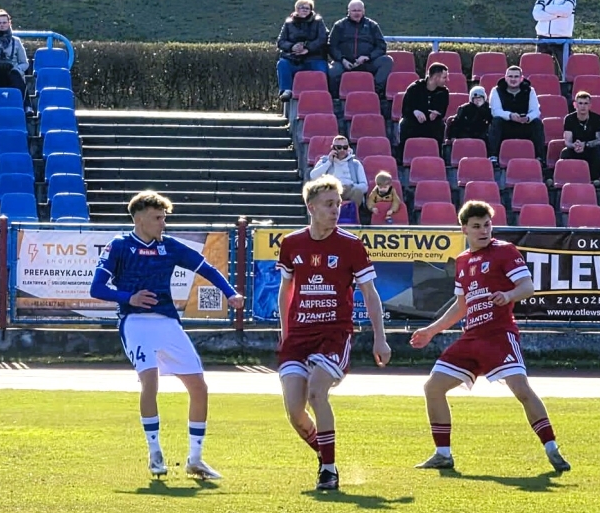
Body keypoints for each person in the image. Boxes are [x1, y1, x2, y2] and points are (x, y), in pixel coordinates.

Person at [88, 191, 245, 480]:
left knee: (199, 387)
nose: (163, 223)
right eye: (157, 218)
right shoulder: (120, 246)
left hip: (168, 322)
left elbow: (206, 268)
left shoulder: (169, 246)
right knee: (150, 381)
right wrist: (129, 297)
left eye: (164, 218)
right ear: (139, 219)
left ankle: (195, 459)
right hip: (135, 322)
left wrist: (230, 293)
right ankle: (155, 453)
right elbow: (96, 288)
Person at [410, 201, 570, 473]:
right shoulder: (462, 261)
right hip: (471, 338)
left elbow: (527, 286)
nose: (483, 230)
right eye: (476, 226)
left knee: (521, 390)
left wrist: (508, 295)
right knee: (433, 387)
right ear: (464, 229)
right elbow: (461, 306)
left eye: (487, 225)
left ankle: (552, 448)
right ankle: (443, 454)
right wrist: (431, 330)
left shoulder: (504, 251)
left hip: (499, 335)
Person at [277, 175, 391, 491]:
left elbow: (370, 293)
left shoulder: (350, 245)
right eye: (329, 204)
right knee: (295, 412)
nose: (335, 210)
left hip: (334, 335)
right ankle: (324, 454)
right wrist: (285, 331)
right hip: (298, 337)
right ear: (311, 207)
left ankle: (328, 470)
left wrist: (380, 337)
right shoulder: (292, 243)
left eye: (338, 204)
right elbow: (286, 289)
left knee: (317, 393)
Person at [327, 0, 394, 98]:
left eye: (359, 10)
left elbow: (381, 46)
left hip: (367, 62)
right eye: (354, 10)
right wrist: (342, 59)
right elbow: (332, 46)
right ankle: (335, 99)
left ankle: (376, 94)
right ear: (348, 11)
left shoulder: (372, 26)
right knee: (333, 72)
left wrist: (368, 57)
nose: (356, 13)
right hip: (344, 63)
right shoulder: (339, 26)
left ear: (363, 11)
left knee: (387, 61)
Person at [276, 0, 329, 100]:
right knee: (282, 64)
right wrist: (292, 47)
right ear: (296, 9)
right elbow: (280, 41)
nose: (304, 10)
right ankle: (286, 91)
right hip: (293, 58)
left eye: (307, 8)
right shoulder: (288, 23)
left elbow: (323, 38)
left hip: (314, 57)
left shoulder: (318, 22)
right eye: (301, 7)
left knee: (322, 70)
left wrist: (308, 48)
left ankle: (321, 96)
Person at [488, 65, 546, 161]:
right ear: (505, 78)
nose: (513, 79)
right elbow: (496, 111)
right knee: (496, 121)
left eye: (516, 76)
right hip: (506, 126)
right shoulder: (496, 91)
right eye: (510, 76)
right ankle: (493, 156)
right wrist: (510, 116)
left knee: (537, 123)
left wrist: (527, 118)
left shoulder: (530, 91)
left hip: (524, 125)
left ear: (521, 78)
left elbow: (535, 110)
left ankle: (540, 158)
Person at [532, 0, 577, 71]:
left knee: (566, 72)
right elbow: (536, 14)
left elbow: (566, 11)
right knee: (539, 72)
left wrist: (547, 8)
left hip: (562, 39)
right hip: (542, 38)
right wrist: (557, 14)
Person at [398, 64, 450, 156]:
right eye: (444, 77)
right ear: (435, 77)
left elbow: (442, 110)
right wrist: (415, 112)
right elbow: (405, 109)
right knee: (405, 124)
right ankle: (403, 156)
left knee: (440, 125)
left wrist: (437, 113)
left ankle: (438, 156)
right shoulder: (414, 88)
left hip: (432, 123)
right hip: (414, 121)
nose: (447, 80)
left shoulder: (444, 92)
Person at [309, 135, 368, 207]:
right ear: (333, 148)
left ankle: (349, 212)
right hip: (331, 191)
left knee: (358, 192)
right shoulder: (324, 161)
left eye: (345, 147)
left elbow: (364, 186)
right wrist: (329, 162)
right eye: (339, 147)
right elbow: (313, 176)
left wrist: (352, 186)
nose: (342, 150)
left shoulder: (356, 164)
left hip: (349, 190)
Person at [560, 90, 600, 181]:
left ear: (590, 105)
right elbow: (567, 141)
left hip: (590, 148)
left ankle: (594, 179)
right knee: (565, 152)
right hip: (575, 148)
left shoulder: (597, 118)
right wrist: (574, 145)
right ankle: (567, 179)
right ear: (575, 105)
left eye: (586, 103)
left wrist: (585, 144)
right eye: (580, 103)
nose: (583, 106)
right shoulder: (569, 119)